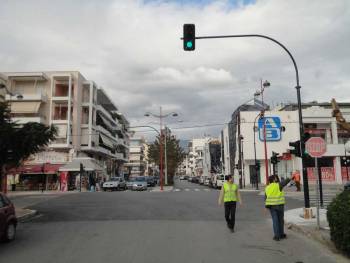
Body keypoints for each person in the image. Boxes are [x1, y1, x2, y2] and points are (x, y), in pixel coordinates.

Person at [265, 175, 290, 241]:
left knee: (275, 221)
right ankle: (281, 234)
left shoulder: (267, 187)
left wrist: (266, 206)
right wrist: (291, 176)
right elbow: (286, 181)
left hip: (272, 206)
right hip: (280, 205)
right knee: (280, 220)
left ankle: (276, 236)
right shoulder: (278, 185)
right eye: (275, 178)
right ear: (273, 180)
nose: (277, 178)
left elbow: (265, 197)